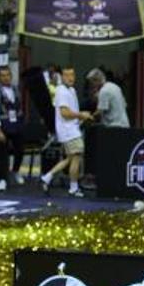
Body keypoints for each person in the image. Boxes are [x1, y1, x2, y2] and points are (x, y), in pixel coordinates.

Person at [40, 67, 91, 197]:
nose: (70, 77)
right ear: (62, 77)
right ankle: (73, 188)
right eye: (67, 75)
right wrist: (81, 115)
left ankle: (47, 177)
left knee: (70, 158)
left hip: (72, 129)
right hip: (68, 131)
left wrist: (79, 119)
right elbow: (64, 113)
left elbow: (70, 111)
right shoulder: (61, 91)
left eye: (72, 74)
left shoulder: (72, 90)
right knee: (77, 157)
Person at [0, 66, 25, 185]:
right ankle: (2, 179)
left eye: (7, 75)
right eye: (3, 75)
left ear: (11, 76)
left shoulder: (16, 89)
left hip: (16, 123)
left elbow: (20, 106)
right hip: (3, 125)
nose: (6, 78)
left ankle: (15, 171)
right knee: (2, 153)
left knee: (20, 149)